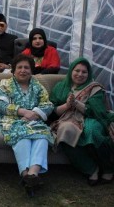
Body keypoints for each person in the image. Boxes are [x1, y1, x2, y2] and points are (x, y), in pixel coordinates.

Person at [0, 54, 54, 196]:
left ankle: (31, 176)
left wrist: (35, 114)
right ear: (13, 70)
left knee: (43, 136)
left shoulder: (37, 86)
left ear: (32, 70)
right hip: (10, 121)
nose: (23, 70)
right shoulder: (5, 84)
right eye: (19, 67)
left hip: (34, 121)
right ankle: (27, 175)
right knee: (23, 136)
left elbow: (48, 104)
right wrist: (23, 111)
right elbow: (1, 105)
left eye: (26, 67)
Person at [50, 57, 114, 185]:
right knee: (65, 131)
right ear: (71, 71)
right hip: (68, 118)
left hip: (90, 117)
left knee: (92, 131)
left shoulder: (94, 88)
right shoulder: (60, 87)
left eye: (84, 72)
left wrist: (77, 103)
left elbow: (97, 111)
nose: (80, 74)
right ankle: (91, 169)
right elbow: (52, 111)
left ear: (88, 73)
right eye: (77, 70)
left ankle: (108, 169)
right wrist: (67, 105)